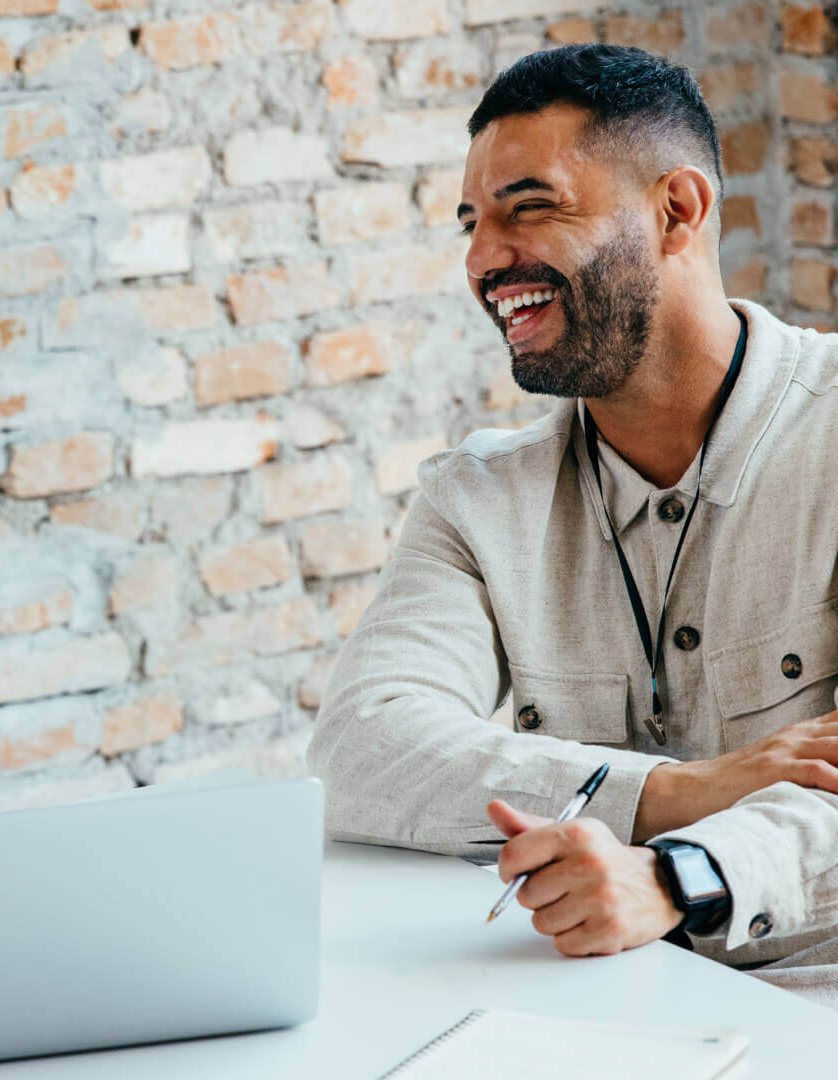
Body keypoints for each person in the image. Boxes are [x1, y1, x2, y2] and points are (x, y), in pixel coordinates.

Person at [309, 45, 838, 1005]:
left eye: (531, 207)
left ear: (678, 210)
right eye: (472, 224)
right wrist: (674, 793)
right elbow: (360, 747)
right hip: (592, 1007)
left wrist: (682, 874)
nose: (483, 260)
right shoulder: (476, 497)